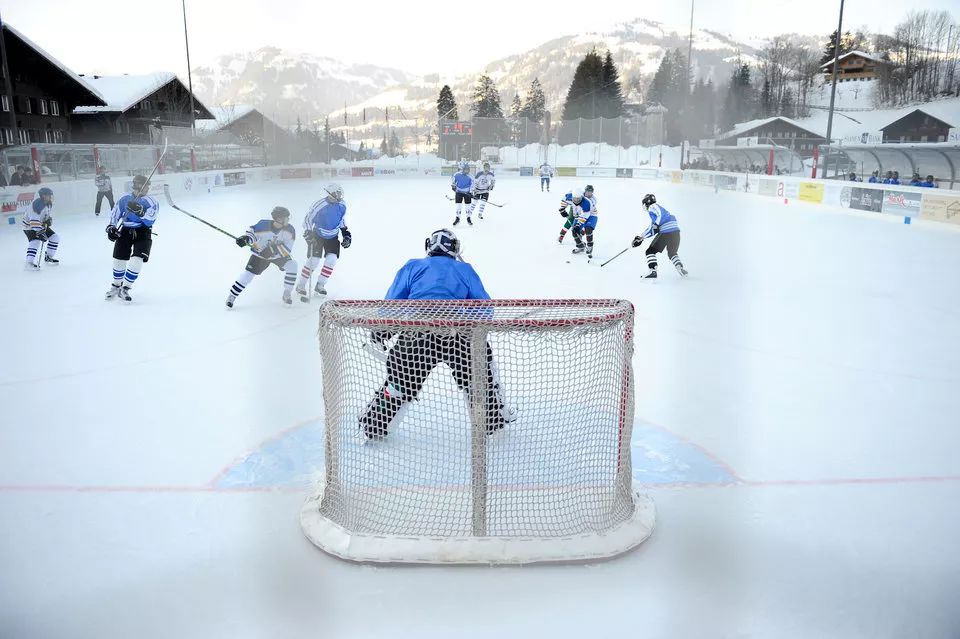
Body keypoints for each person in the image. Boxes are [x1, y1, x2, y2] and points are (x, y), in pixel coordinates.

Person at [359, 228, 516, 440]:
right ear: (455, 248)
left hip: (416, 335)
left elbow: (391, 305)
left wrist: (382, 331)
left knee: (399, 383)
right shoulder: (464, 269)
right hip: (458, 336)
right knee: (480, 376)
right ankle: (493, 421)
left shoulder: (412, 267)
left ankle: (373, 427)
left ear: (428, 246)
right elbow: (485, 309)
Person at [227, 207, 298, 308]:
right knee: (248, 274)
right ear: (278, 219)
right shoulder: (263, 224)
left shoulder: (290, 230)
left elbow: (287, 249)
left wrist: (272, 251)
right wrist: (246, 239)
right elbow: (252, 234)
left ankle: (287, 292)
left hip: (279, 256)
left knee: (292, 265)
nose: (288, 219)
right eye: (286, 217)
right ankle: (232, 295)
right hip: (260, 255)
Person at [104, 175, 158, 302]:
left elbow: (151, 220)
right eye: (143, 186)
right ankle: (116, 286)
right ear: (136, 185)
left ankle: (126, 288)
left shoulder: (151, 201)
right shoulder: (125, 198)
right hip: (125, 230)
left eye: (147, 186)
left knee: (137, 260)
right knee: (119, 260)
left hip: (143, 231)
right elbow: (115, 214)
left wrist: (141, 212)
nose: (146, 189)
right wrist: (111, 227)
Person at [295, 183, 350, 301]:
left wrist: (346, 233)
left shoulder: (342, 205)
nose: (339, 196)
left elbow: (341, 219)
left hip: (333, 237)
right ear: (330, 194)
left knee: (332, 260)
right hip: (317, 235)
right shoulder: (319, 205)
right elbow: (308, 219)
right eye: (337, 194)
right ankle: (301, 285)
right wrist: (308, 233)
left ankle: (320, 285)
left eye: (340, 194)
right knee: (313, 260)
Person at [632, 193, 687, 279]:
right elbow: (652, 229)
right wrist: (641, 238)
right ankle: (680, 268)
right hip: (676, 232)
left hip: (666, 232)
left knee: (650, 251)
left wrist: (656, 224)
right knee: (672, 253)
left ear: (646, 203)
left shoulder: (653, 206)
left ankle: (653, 271)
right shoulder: (662, 215)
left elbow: (657, 220)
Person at [22, 187, 60, 269]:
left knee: (54, 238)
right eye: (49, 195)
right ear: (43, 196)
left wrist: (48, 221)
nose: (51, 197)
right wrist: (41, 233)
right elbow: (33, 222)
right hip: (29, 227)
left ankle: (48, 257)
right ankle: (29, 263)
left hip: (39, 225)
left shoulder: (48, 203)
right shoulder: (37, 206)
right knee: (35, 241)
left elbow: (45, 217)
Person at [557, 188, 597, 257]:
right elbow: (564, 199)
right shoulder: (569, 196)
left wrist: (578, 224)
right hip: (579, 215)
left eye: (578, 199)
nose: (576, 201)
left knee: (588, 229)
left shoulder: (586, 202)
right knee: (574, 231)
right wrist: (562, 208)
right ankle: (580, 246)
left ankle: (590, 246)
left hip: (591, 215)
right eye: (575, 199)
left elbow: (585, 215)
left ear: (582, 197)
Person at [450, 161, 474, 225]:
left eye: (468, 169)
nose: (467, 170)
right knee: (458, 206)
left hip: (467, 193)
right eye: (465, 169)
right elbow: (453, 181)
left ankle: (468, 218)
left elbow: (472, 184)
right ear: (461, 169)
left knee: (468, 207)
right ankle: (457, 218)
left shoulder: (470, 176)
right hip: (459, 192)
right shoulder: (456, 174)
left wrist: (471, 192)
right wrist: (453, 186)